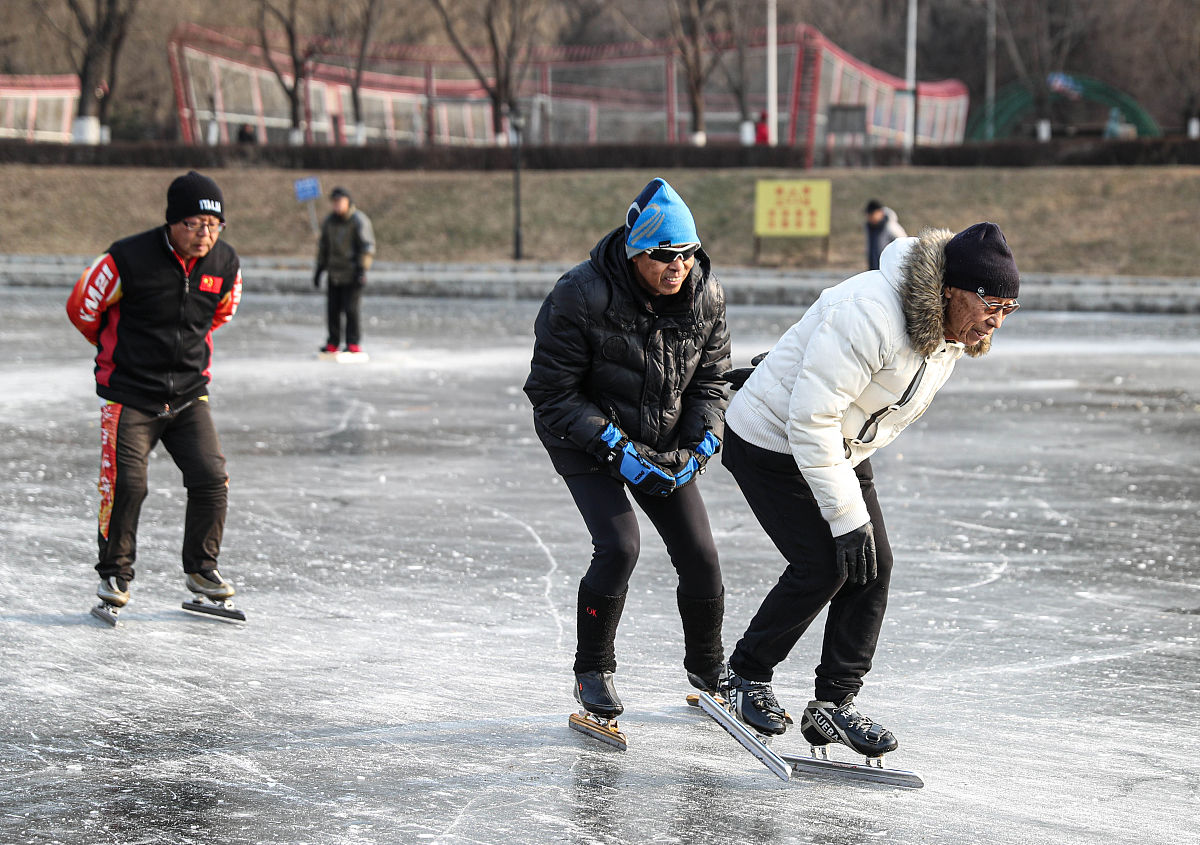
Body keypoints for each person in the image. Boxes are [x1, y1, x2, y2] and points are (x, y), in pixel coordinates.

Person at [717, 223, 1021, 758]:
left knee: (873, 566)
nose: (995, 320)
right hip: (772, 440)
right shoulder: (873, 311)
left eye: (1009, 308)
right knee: (825, 563)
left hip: (842, 448)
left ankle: (833, 704)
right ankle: (743, 676)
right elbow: (810, 419)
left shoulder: (951, 332)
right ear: (951, 289)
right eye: (989, 303)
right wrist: (846, 518)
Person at [523, 178, 732, 728]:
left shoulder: (706, 295)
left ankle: (710, 670)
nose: (678, 267)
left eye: (687, 255)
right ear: (636, 251)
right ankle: (593, 669)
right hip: (581, 436)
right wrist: (613, 446)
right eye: (664, 256)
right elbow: (550, 392)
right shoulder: (579, 294)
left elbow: (711, 382)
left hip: (660, 437)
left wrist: (700, 444)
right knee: (619, 545)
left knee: (701, 555)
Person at [66, 170, 244, 615]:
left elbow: (220, 314)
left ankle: (202, 569)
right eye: (194, 224)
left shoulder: (224, 263)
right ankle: (115, 573)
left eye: (214, 225)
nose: (205, 234)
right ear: (172, 222)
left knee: (211, 479)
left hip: (188, 395)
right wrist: (114, 349)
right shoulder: (126, 258)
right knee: (128, 484)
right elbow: (82, 308)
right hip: (130, 395)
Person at [314, 187, 375, 354]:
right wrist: (319, 269)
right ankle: (333, 342)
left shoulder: (358, 221)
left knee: (351, 310)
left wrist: (362, 269)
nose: (337, 205)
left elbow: (367, 247)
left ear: (348, 202)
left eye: (340, 202)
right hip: (334, 274)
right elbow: (324, 247)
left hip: (352, 273)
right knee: (332, 310)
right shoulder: (329, 222)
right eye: (334, 202)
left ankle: (353, 343)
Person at [864, 199, 906, 271]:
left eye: (872, 214)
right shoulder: (870, 228)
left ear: (880, 213)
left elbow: (904, 245)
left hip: (891, 270)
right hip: (874, 268)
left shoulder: (891, 227)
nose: (870, 217)